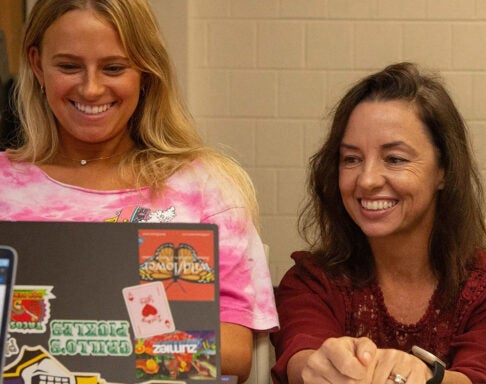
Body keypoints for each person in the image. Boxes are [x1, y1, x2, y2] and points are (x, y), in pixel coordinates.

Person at [0, 0, 278, 381]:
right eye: (68, 66)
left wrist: (99, 341)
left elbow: (233, 354)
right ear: (37, 65)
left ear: (145, 72)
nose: (91, 88)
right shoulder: (5, 184)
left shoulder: (204, 188)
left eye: (114, 68)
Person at [270, 62, 486, 384]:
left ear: (443, 171)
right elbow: (300, 356)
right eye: (351, 159)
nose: (366, 180)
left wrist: (424, 378)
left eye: (395, 159)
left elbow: (484, 375)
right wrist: (322, 366)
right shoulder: (312, 281)